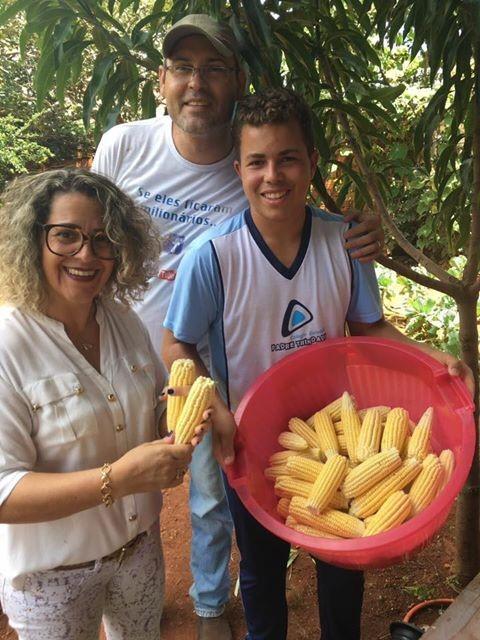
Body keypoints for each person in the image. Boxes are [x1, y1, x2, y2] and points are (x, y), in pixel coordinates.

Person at [91, 14, 385, 639]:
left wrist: (360, 236)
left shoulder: (326, 234)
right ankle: (155, 608)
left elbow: (367, 322)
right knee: (150, 500)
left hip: (317, 417)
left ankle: (206, 605)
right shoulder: (130, 153)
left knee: (229, 506)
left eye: (214, 67)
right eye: (183, 67)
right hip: (154, 361)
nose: (270, 176)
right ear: (162, 79)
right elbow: (85, 233)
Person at [161, 88, 473, 640]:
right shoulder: (211, 256)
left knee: (341, 563)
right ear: (239, 169)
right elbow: (176, 344)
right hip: (250, 438)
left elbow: (369, 326)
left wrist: (434, 357)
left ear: (311, 163)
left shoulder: (343, 242)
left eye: (287, 158)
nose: (272, 175)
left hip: (342, 432)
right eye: (257, 161)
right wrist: (211, 403)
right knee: (260, 565)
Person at [0, 168, 209, 640]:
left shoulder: (123, 321)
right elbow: (3, 490)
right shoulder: (8, 345)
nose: (87, 254)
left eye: (103, 239)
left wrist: (176, 417)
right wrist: (118, 479)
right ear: (33, 240)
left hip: (138, 552)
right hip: (51, 576)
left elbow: (158, 403)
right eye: (66, 236)